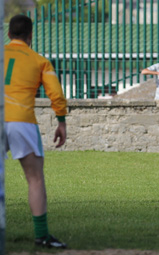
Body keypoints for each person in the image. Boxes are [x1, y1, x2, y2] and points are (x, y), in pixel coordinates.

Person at [4, 15, 68, 248]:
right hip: (22, 121)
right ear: (31, 36)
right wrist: (61, 121)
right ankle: (42, 236)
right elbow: (56, 95)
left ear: (9, 34)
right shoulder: (39, 61)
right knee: (34, 179)